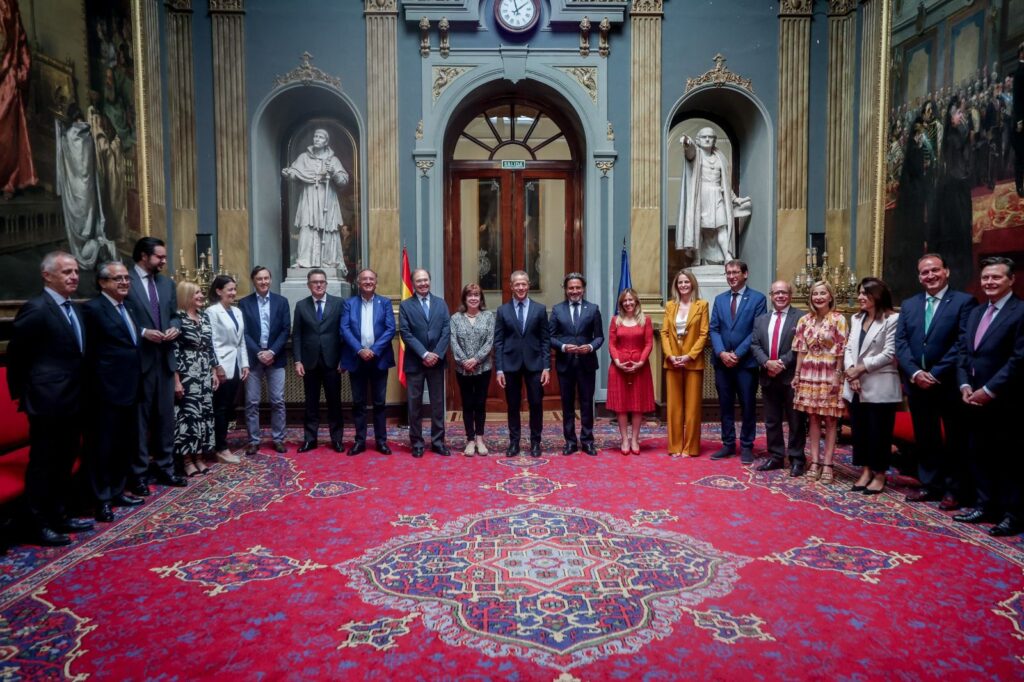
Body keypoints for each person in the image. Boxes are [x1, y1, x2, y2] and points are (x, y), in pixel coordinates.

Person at [6, 252, 92, 545]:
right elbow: (17, 356)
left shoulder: (74, 308)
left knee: (65, 459)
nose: (74, 277)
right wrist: (24, 395)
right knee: (44, 464)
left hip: (74, 399)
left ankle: (59, 515)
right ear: (47, 275)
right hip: (46, 402)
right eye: (67, 272)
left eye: (76, 271)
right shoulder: (37, 308)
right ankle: (37, 523)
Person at [895, 254, 977, 508]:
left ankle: (954, 490)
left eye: (935, 270)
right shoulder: (910, 304)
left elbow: (962, 343)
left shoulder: (964, 302)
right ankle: (930, 484)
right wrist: (915, 373)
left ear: (946, 271)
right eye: (924, 272)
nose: (930, 276)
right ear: (919, 276)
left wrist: (936, 373)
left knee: (955, 439)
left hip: (948, 383)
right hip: (917, 384)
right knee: (926, 436)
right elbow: (901, 343)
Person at [955, 256, 1024, 536]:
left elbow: (1018, 359)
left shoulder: (1020, 312)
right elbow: (964, 352)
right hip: (973, 397)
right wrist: (964, 385)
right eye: (985, 277)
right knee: (979, 453)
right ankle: (985, 505)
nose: (989, 282)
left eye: (996, 277)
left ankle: (1013, 515)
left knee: (1008, 459)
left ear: (1011, 279)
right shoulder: (976, 312)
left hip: (1006, 400)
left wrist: (989, 390)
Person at [81, 261, 145, 522]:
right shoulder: (92, 309)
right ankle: (102, 500)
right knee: (103, 448)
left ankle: (118, 491)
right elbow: (88, 353)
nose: (125, 282)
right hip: (105, 392)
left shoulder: (129, 306)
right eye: (118, 278)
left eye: (127, 278)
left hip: (131, 388)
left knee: (123, 444)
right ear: (102, 282)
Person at [125, 237, 185, 491]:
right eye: (159, 257)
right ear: (143, 256)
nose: (163, 261)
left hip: (165, 361)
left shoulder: (167, 284)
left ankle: (166, 469)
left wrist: (174, 328)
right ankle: (138, 475)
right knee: (140, 423)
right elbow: (121, 317)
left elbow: (174, 316)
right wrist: (142, 332)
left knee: (165, 420)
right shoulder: (125, 281)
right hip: (139, 362)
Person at [844, 278, 901, 496]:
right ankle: (866, 470)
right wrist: (851, 371)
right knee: (861, 431)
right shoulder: (856, 318)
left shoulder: (892, 319)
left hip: (880, 385)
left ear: (877, 295)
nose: (860, 297)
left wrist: (860, 369)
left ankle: (880, 474)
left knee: (880, 432)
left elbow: (889, 353)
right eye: (859, 293)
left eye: (865, 294)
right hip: (856, 384)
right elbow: (849, 348)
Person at [709, 259, 767, 464]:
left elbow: (756, 330)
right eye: (728, 273)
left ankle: (747, 446)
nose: (731, 276)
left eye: (735, 272)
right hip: (722, 363)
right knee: (725, 405)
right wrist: (722, 353)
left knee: (748, 406)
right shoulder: (720, 300)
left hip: (746, 364)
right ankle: (727, 444)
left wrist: (737, 354)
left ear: (745, 274)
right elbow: (714, 328)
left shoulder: (758, 299)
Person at [792, 281, 848, 484]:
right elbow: (801, 350)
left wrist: (838, 375)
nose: (818, 297)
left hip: (829, 372)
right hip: (809, 372)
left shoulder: (839, 319)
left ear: (830, 296)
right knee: (813, 418)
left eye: (823, 293)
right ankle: (815, 462)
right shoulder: (804, 320)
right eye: (815, 294)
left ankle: (828, 464)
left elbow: (841, 350)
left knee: (831, 420)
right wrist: (797, 375)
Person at [750, 280, 807, 476]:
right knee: (772, 420)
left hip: (791, 376)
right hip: (768, 376)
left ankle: (797, 459)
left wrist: (781, 363)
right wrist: (767, 363)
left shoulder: (801, 318)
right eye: (776, 293)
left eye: (784, 292)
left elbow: (801, 345)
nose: (780, 296)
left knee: (796, 420)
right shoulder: (761, 319)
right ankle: (776, 456)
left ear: (790, 295)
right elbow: (755, 345)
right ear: (771, 296)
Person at [494, 270, 551, 458]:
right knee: (513, 405)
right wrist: (499, 369)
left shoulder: (540, 309)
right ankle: (514, 442)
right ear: (511, 286)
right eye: (517, 284)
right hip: (510, 365)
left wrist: (546, 367)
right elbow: (498, 342)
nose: (520, 287)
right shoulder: (502, 311)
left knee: (536, 404)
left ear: (529, 285)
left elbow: (545, 340)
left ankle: (535, 442)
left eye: (523, 284)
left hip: (535, 365)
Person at [340, 268, 395, 456]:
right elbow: (344, 329)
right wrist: (360, 349)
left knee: (379, 403)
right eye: (364, 279)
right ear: (358, 282)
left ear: (376, 282)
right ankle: (360, 441)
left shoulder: (385, 303)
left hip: (379, 359)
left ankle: (381, 441)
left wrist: (373, 350)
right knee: (358, 403)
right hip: (356, 359)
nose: (368, 282)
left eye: (371, 279)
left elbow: (390, 329)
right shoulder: (349, 303)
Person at [675, 127, 750, 264]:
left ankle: (727, 256)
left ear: (714, 140)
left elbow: (725, 184)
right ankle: (697, 257)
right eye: (704, 137)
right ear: (698, 140)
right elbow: (690, 152)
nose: (707, 139)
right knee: (699, 227)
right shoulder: (696, 155)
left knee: (722, 226)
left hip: (717, 195)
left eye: (710, 137)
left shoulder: (720, 158)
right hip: (701, 196)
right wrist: (687, 143)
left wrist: (734, 199)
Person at [548, 273, 604, 456]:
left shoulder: (593, 309)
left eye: (578, 287)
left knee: (587, 403)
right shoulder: (557, 310)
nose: (574, 291)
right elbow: (549, 337)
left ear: (583, 289)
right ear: (566, 290)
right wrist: (563, 347)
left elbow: (599, 337)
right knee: (567, 404)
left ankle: (587, 441)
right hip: (565, 364)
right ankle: (570, 442)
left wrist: (590, 347)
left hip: (587, 364)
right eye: (571, 288)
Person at [238, 266, 291, 455]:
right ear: (253, 281)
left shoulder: (281, 302)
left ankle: (278, 439)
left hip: (276, 358)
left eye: (266, 278)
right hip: (253, 359)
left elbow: (286, 329)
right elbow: (244, 331)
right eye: (259, 279)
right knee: (252, 401)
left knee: (278, 401)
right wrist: (259, 352)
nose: (263, 282)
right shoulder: (244, 303)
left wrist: (272, 352)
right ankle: (253, 440)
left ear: (270, 279)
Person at [292, 268, 345, 453]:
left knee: (334, 403)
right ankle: (310, 439)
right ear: (309, 285)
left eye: (322, 281)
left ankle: (337, 439)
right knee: (311, 403)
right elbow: (297, 335)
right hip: (309, 362)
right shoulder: (301, 305)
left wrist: (344, 359)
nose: (319, 285)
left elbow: (344, 333)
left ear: (326, 284)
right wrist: (297, 361)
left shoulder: (338, 303)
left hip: (333, 362)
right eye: (315, 282)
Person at [399, 268, 451, 458]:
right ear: (413, 284)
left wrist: (436, 354)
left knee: (438, 404)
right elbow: (405, 333)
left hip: (437, 362)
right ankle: (417, 443)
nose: (423, 284)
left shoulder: (441, 303)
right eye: (419, 281)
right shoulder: (406, 305)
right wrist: (424, 353)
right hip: (415, 361)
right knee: (415, 405)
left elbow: (446, 330)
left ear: (430, 280)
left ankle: (438, 442)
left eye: (425, 280)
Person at [282, 128, 350, 271]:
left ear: (326, 142)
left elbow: (343, 181)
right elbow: (295, 172)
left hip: (327, 198)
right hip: (309, 196)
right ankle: (304, 260)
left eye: (320, 137)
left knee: (328, 227)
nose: (317, 139)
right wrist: (288, 174)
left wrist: (333, 172)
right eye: (315, 136)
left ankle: (329, 260)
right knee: (307, 226)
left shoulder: (333, 160)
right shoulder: (304, 158)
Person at [172, 281, 219, 477]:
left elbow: (210, 347)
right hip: (186, 375)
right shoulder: (177, 319)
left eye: (201, 292)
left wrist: (214, 371)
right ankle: (187, 461)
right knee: (188, 417)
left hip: (204, 373)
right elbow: (173, 351)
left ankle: (199, 457)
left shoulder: (204, 317)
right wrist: (176, 381)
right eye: (197, 293)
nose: (201, 296)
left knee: (203, 415)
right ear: (186, 296)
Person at [659, 271, 708, 457]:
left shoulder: (702, 305)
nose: (683, 285)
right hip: (672, 361)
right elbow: (664, 333)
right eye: (680, 282)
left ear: (692, 284)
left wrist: (690, 356)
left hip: (693, 362)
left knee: (692, 408)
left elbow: (704, 334)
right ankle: (675, 447)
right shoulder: (670, 305)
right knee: (674, 407)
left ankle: (690, 448)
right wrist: (670, 355)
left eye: (687, 282)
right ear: (676, 285)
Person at [207, 275, 249, 465]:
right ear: (218, 291)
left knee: (228, 406)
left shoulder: (237, 311)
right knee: (220, 408)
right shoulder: (212, 312)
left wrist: (245, 364)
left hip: (236, 365)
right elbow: (211, 341)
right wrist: (217, 367)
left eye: (234, 289)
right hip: (222, 366)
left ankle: (222, 444)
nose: (233, 293)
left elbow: (241, 341)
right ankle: (221, 448)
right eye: (229, 289)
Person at [608, 287, 656, 455]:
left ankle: (635, 439)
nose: (628, 303)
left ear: (636, 301)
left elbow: (648, 343)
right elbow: (612, 344)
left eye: (630, 300)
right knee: (621, 405)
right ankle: (624, 439)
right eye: (625, 301)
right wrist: (617, 361)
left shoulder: (645, 320)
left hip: (640, 368)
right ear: (621, 303)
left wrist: (641, 361)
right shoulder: (615, 320)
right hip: (619, 367)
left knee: (637, 405)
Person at [450, 284, 495, 457]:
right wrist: (464, 361)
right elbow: (453, 342)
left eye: (477, 295)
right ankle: (470, 439)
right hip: (463, 370)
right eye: (470, 295)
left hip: (483, 368)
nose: (473, 298)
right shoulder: (455, 318)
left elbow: (490, 341)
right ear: (465, 298)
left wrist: (476, 360)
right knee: (467, 403)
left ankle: (480, 439)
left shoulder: (488, 316)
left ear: (481, 298)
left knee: (480, 403)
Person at [1013, 43, 1024, 197]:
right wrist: (1020, 121)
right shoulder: (1019, 72)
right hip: (1022, 121)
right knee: (1021, 155)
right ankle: (1019, 186)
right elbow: (1017, 99)